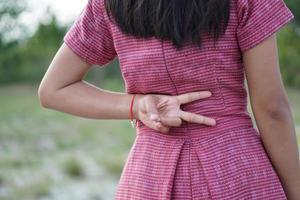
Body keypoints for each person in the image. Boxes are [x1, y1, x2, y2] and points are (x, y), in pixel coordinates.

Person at [38, 0, 300, 199]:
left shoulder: (109, 4)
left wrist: (137, 105)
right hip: (235, 170)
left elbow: (54, 88)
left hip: (147, 176)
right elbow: (271, 109)